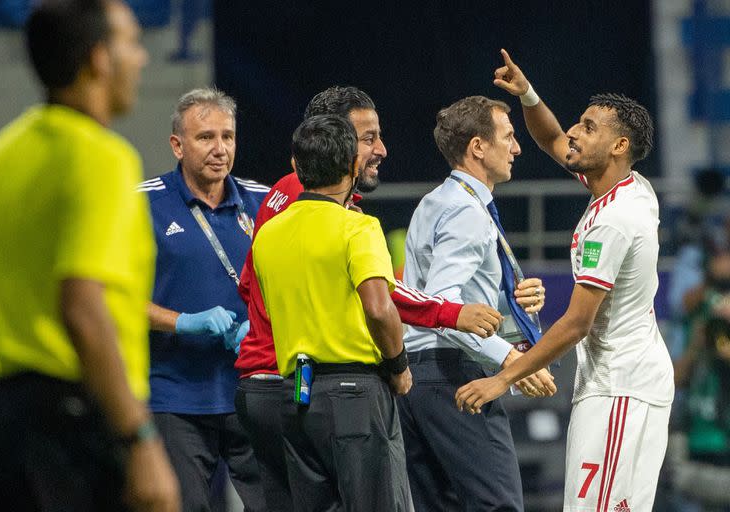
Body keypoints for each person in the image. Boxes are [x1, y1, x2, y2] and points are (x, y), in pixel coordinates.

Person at [234, 85, 506, 511]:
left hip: (277, 389)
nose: (380, 149)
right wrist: (445, 318)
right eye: (368, 138)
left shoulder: (278, 218)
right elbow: (379, 298)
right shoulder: (338, 217)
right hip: (324, 385)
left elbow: (250, 285)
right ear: (337, 143)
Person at [0, 1, 180, 511]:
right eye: (131, 42)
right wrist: (140, 438)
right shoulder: (101, 159)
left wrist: (21, 337)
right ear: (99, 60)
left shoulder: (4, 150)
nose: (142, 58)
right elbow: (82, 307)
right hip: (71, 426)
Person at [455, 50, 674, 512]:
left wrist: (504, 378)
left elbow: (576, 324)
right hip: (615, 385)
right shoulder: (624, 186)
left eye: (590, 127)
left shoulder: (616, 219)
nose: (574, 131)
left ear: (619, 147)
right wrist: (528, 94)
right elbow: (551, 137)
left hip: (622, 389)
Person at [399, 94, 556, 511]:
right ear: (478, 147)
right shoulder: (466, 212)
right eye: (508, 136)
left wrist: (513, 306)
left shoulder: (434, 203)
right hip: (453, 375)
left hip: (416, 379)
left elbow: (440, 298)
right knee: (498, 505)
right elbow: (445, 306)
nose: (517, 148)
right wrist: (510, 360)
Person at [253, 113, 413, 511]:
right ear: (351, 165)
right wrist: (398, 365)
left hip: (297, 397)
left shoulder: (268, 234)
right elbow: (379, 308)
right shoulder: (357, 228)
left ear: (298, 166)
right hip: (356, 395)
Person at [139, 87, 266, 511]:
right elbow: (112, 298)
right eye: (205, 137)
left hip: (253, 392)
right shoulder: (141, 205)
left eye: (227, 136)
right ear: (177, 145)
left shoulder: (265, 203)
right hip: (175, 398)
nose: (220, 149)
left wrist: (268, 326)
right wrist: (181, 321)